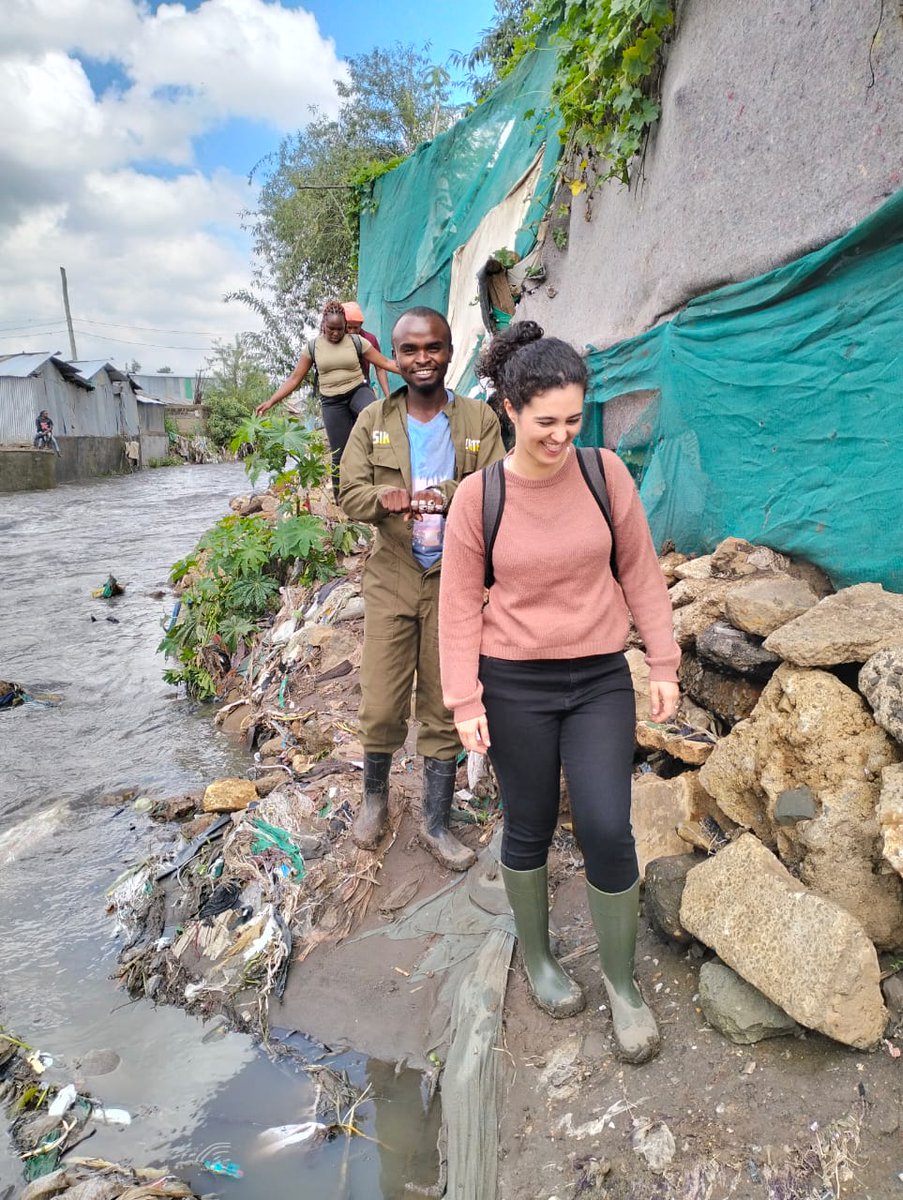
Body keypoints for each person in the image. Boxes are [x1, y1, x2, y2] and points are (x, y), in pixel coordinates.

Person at [437, 321, 680, 1063]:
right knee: (530, 824)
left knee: (608, 825)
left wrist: (663, 663)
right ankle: (541, 961)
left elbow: (638, 571)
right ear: (510, 409)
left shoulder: (605, 474)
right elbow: (456, 606)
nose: (561, 436)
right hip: (513, 684)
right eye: (547, 422)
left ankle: (620, 983)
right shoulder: (479, 499)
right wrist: (465, 702)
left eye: (573, 420)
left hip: (600, 677)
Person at [339, 306, 505, 870]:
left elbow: (498, 485)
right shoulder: (373, 421)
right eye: (409, 350)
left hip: (454, 582)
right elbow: (349, 493)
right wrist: (381, 500)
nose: (421, 359)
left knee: (443, 700)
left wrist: (453, 491)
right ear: (395, 356)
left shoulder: (479, 422)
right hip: (392, 575)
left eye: (432, 347)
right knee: (382, 698)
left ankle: (436, 822)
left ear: (449, 352)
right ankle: (374, 801)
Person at [255, 299, 398, 489]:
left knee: (375, 415)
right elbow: (294, 379)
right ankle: (341, 497)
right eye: (331, 329)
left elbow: (386, 363)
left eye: (340, 329)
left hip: (358, 390)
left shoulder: (357, 341)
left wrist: (415, 368)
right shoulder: (313, 348)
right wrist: (271, 401)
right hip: (332, 401)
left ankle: (383, 475)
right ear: (323, 324)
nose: (336, 333)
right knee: (340, 451)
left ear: (346, 326)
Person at [342, 301, 390, 399]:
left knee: (371, 410)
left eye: (356, 328)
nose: (352, 332)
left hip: (362, 387)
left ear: (361, 324)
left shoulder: (369, 339)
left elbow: (380, 367)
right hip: (340, 388)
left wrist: (388, 395)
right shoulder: (336, 340)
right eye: (348, 327)